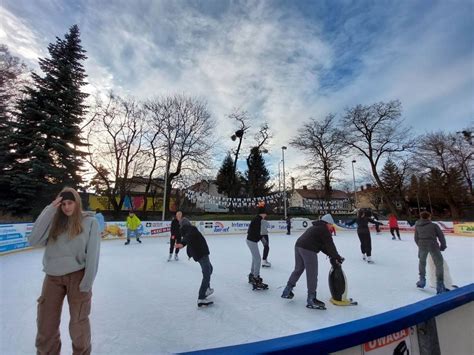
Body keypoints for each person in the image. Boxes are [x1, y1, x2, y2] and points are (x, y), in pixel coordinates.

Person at [28, 187, 101, 354]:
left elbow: (93, 255)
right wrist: (50, 209)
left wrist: (87, 283)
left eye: (70, 203)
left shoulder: (90, 222)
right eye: (63, 204)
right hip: (52, 278)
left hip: (77, 277)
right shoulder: (54, 222)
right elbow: (33, 240)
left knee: (78, 324)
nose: (66, 207)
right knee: (46, 324)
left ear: (77, 203)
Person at [281, 214, 344, 309]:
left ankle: (287, 290)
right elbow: (330, 245)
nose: (332, 227)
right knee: (312, 273)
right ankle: (311, 298)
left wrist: (333, 256)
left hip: (298, 246)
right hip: (308, 249)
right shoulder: (324, 230)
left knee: (298, 269)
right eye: (331, 224)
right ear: (327, 223)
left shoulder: (316, 227)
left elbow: (323, 246)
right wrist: (337, 257)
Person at [175, 219, 214, 307]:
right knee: (206, 274)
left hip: (199, 253)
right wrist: (182, 243)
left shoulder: (186, 231)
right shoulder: (191, 229)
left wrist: (182, 243)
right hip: (201, 253)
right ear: (187, 224)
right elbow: (189, 237)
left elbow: (188, 238)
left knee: (210, 269)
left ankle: (207, 289)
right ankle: (201, 297)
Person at [414, 211, 448, 294]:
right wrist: (443, 246)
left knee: (422, 263)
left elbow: (416, 238)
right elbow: (441, 236)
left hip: (422, 245)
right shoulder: (433, 225)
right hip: (433, 245)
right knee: (439, 264)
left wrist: (420, 245)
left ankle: (422, 280)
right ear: (429, 217)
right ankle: (440, 285)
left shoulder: (417, 225)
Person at [246, 204, 269, 290]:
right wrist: (262, 239)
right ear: (262, 213)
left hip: (251, 240)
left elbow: (253, 231)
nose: (266, 215)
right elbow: (256, 232)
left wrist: (260, 238)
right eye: (265, 213)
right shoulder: (257, 220)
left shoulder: (257, 219)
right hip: (251, 241)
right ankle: (256, 278)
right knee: (258, 259)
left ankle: (252, 275)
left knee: (254, 258)